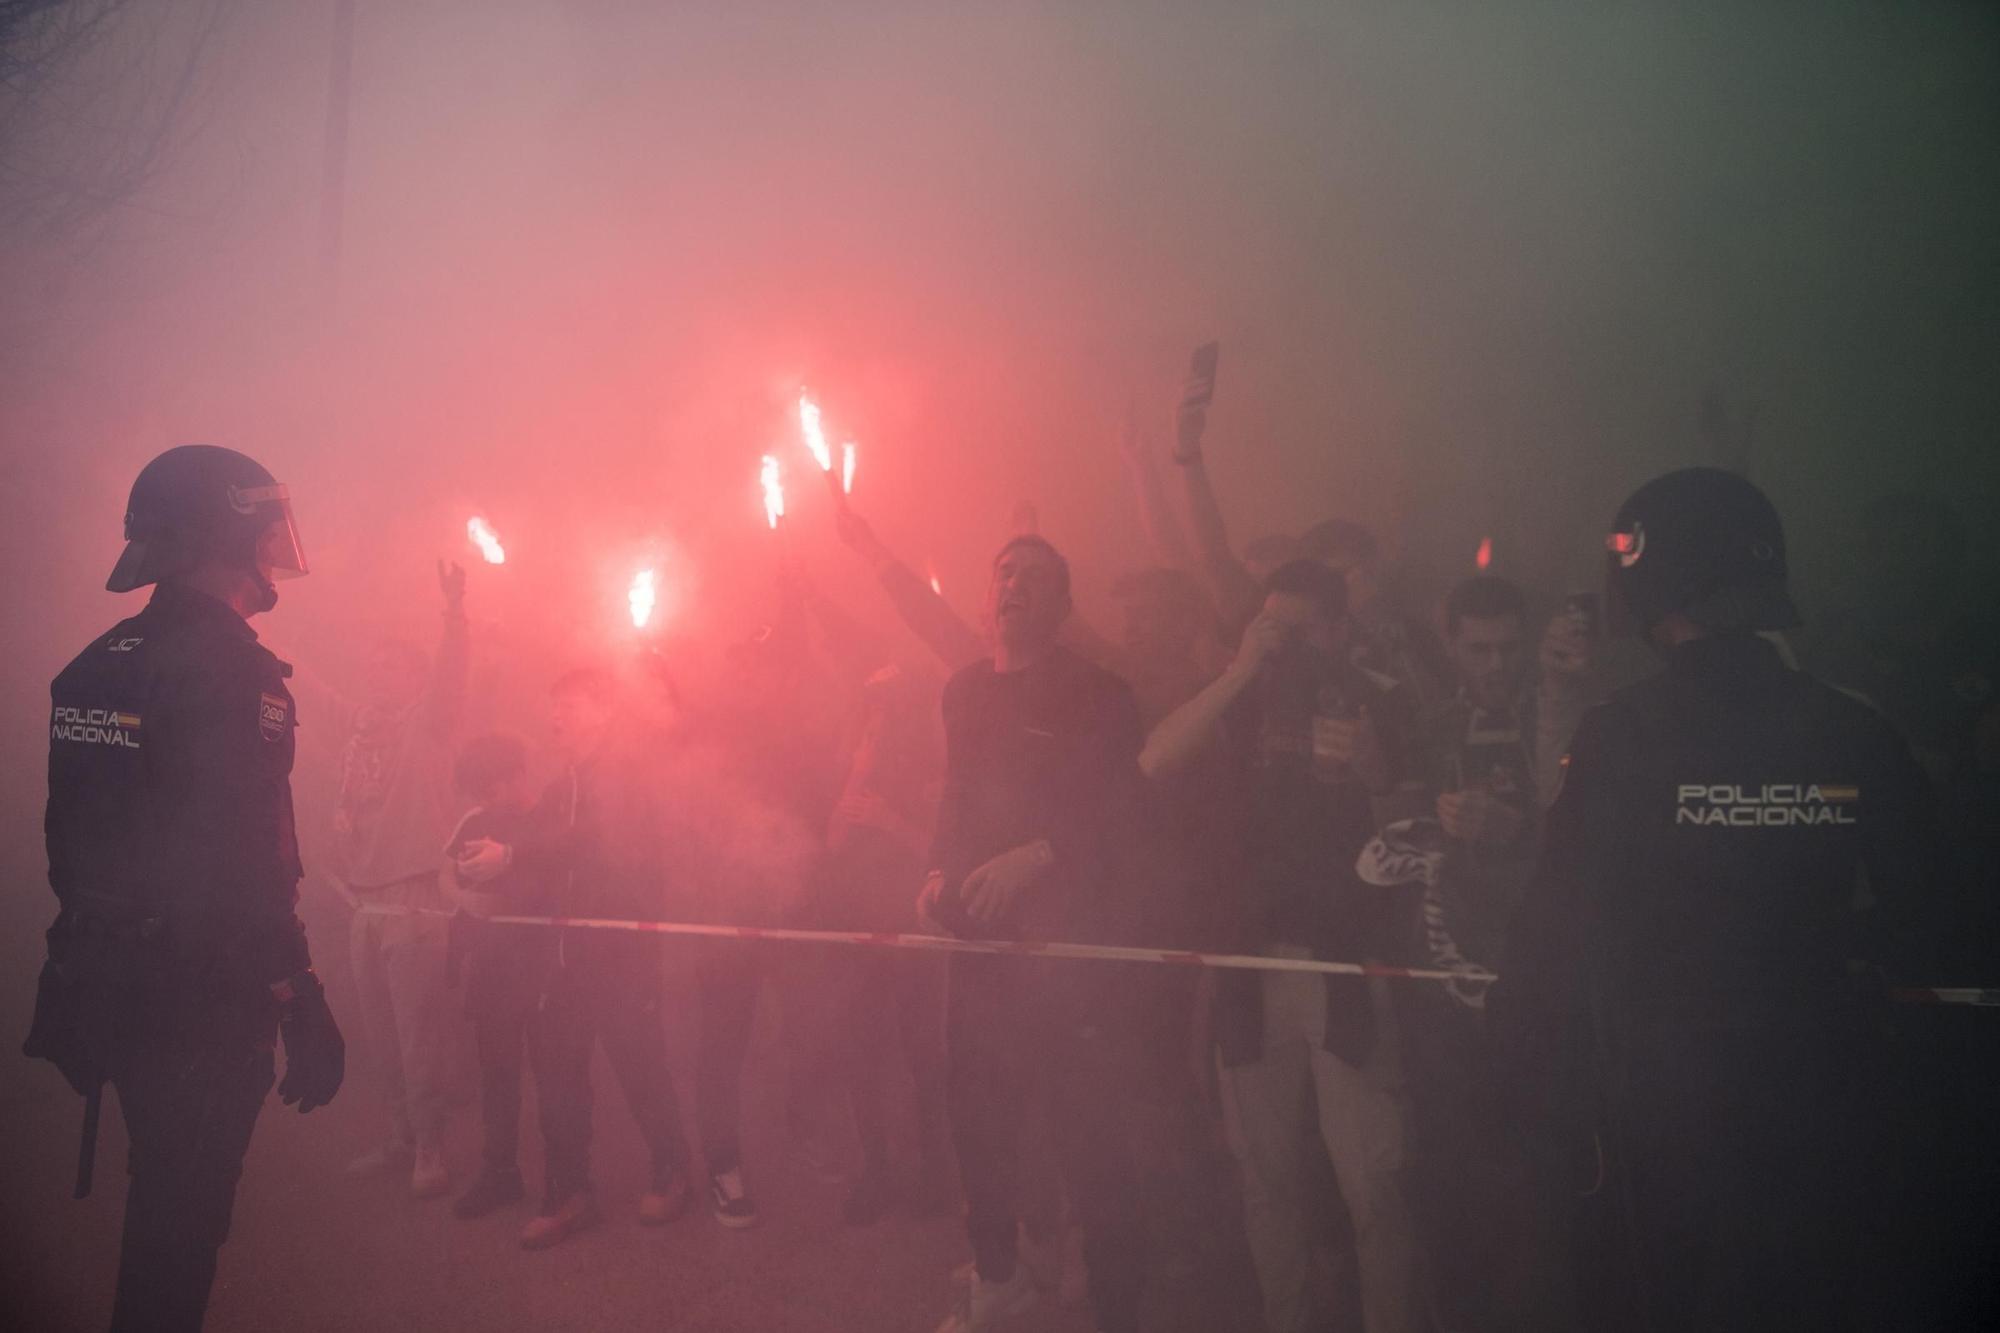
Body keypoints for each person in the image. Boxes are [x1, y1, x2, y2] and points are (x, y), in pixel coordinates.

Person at [1492, 468, 1937, 1331]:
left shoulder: (1619, 735)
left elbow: (1553, 929)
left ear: (1653, 580)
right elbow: (1936, 914)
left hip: (1659, 1113)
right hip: (1825, 1106)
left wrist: (1522, 1086)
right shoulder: (1854, 728)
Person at [27, 444, 345, 1333]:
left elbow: (71, 843)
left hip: (112, 984)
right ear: (224, 535)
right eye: (265, 528)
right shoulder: (235, 673)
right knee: (178, 1231)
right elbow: (244, 862)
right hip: (203, 1002)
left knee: (160, 1205)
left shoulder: (97, 663)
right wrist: (298, 994)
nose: (278, 549)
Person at [1142, 557, 1423, 1333]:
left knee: (1373, 1182)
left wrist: (1372, 766)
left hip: (1346, 961)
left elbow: (1418, 823)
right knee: (1266, 1179)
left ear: (1337, 629)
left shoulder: (1380, 699)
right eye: (1270, 627)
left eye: (1297, 630)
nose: (1283, 645)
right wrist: (1240, 668)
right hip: (1250, 962)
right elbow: (1155, 759)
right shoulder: (1240, 693)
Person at [923, 535, 1150, 1333]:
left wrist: (1040, 854)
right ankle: (999, 1272)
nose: (1015, 585)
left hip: (1068, 954)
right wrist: (934, 876)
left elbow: (1122, 814)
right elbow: (954, 798)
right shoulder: (961, 689)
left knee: (1087, 1135)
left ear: (1061, 605)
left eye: (1036, 578)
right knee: (976, 1117)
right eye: (1005, 572)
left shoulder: (1098, 693)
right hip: (981, 947)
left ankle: (1118, 1302)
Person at [1393, 573, 1594, 1329]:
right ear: (1450, 646)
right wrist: (1420, 815)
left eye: (1510, 648)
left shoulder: (1570, 720)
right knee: (1446, 1177)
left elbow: (1596, 850)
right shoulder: (1429, 722)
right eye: (1478, 649)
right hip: (1441, 992)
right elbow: (1388, 830)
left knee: (1539, 1181)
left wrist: (1514, 833)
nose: (1495, 664)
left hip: (1541, 988)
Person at [459, 667, 697, 1249]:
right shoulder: (563, 780)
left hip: (619, 953)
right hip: (562, 959)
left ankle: (674, 1170)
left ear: (605, 709)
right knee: (560, 1079)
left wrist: (512, 852)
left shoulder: (626, 771)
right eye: (553, 702)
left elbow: (595, 834)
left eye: (569, 702)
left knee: (641, 1069)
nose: (555, 715)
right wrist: (479, 851)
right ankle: (569, 1194)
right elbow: (542, 842)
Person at [334, 560, 470, 1198]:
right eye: (374, 665)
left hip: (415, 902)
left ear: (415, 677)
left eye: (392, 665)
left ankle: (432, 1148)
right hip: (366, 904)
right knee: (380, 1039)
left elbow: (451, 675)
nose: (378, 673)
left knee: (419, 1039)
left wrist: (454, 612)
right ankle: (401, 1136)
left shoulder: (428, 723)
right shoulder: (361, 738)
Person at [440, 733, 557, 1221]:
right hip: (491, 966)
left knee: (555, 1076)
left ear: (515, 775)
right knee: (498, 1075)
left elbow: (554, 882)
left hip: (544, 964)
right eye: (478, 790)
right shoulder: (475, 818)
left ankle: (563, 1181)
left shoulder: (545, 818)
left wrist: (506, 899)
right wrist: (464, 900)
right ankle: (500, 1173)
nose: (485, 799)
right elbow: (445, 869)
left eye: (491, 787)